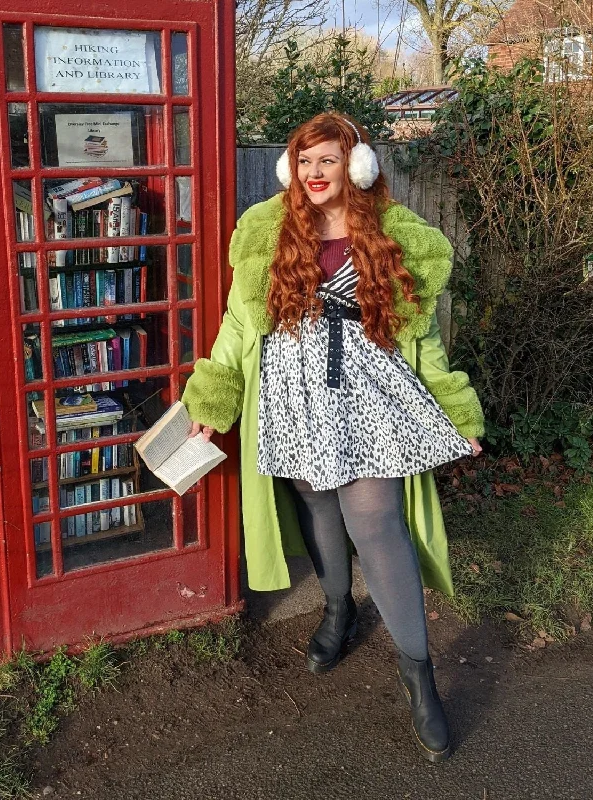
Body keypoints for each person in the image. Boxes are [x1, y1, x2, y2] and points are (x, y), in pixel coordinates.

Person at [181, 112, 484, 763]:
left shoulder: (396, 235)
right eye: (307, 160)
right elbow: (238, 331)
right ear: (294, 168)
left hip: (368, 397)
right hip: (290, 396)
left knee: (376, 522)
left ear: (357, 167)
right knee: (317, 503)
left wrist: (460, 414)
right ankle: (338, 610)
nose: (318, 173)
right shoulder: (266, 230)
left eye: (330, 160)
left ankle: (420, 678)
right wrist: (212, 400)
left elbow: (422, 343)